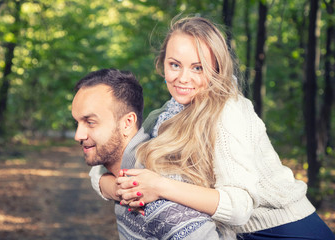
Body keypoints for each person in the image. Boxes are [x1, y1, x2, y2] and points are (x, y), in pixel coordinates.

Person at [92, 17, 335, 240]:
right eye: (175, 65)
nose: (183, 78)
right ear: (162, 64)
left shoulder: (229, 110)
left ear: (216, 69)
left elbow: (240, 207)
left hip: (287, 230)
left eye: (198, 68)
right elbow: (111, 165)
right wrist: (115, 187)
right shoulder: (165, 115)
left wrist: (158, 186)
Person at [72, 68, 222, 240]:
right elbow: (97, 175)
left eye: (90, 122)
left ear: (127, 123)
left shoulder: (156, 197)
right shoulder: (125, 178)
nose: (78, 135)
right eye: (77, 122)